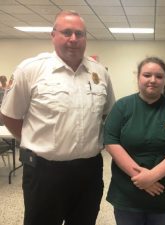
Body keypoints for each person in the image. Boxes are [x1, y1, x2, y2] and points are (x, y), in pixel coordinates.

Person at [0, 10, 115, 225]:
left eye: (79, 33)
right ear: (53, 35)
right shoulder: (30, 70)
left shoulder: (100, 73)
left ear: (85, 38)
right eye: (66, 32)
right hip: (44, 172)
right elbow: (10, 115)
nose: (73, 39)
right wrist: (34, 142)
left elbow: (107, 113)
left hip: (89, 171)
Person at [104, 57, 165, 225]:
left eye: (159, 76)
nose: (153, 80)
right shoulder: (122, 106)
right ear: (138, 77)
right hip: (128, 191)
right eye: (147, 75)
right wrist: (142, 178)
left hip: (162, 191)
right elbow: (111, 142)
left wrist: (152, 176)